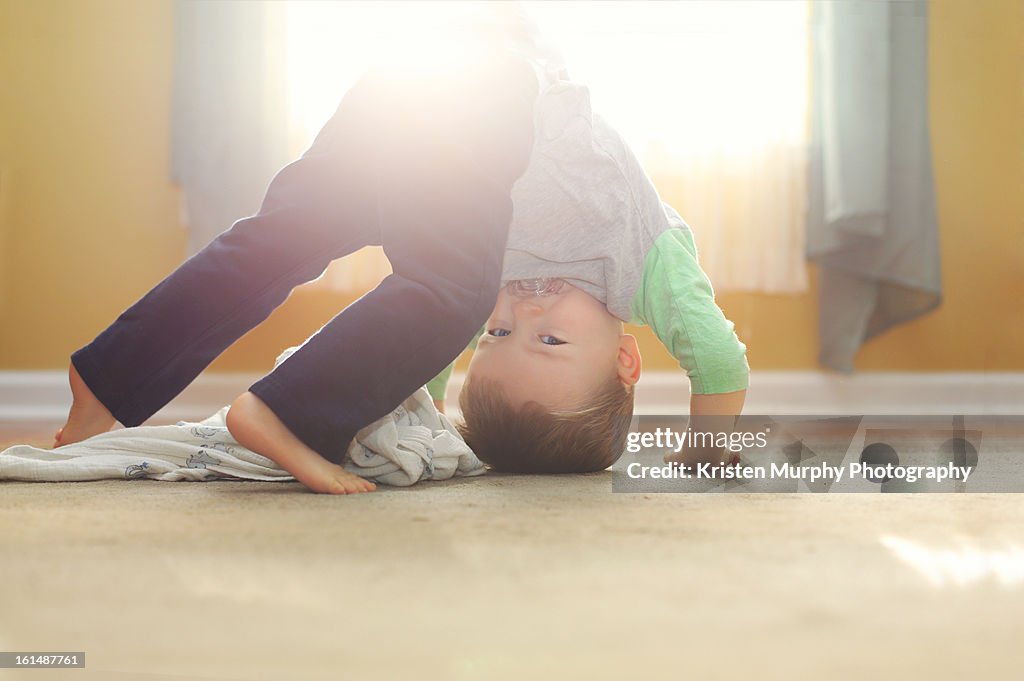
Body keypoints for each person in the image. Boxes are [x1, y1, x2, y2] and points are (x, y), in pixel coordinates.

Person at [53, 22, 541, 495]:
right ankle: (288, 413)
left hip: (404, 74)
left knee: (280, 240)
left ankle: (107, 377)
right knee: (451, 287)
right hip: (477, 81)